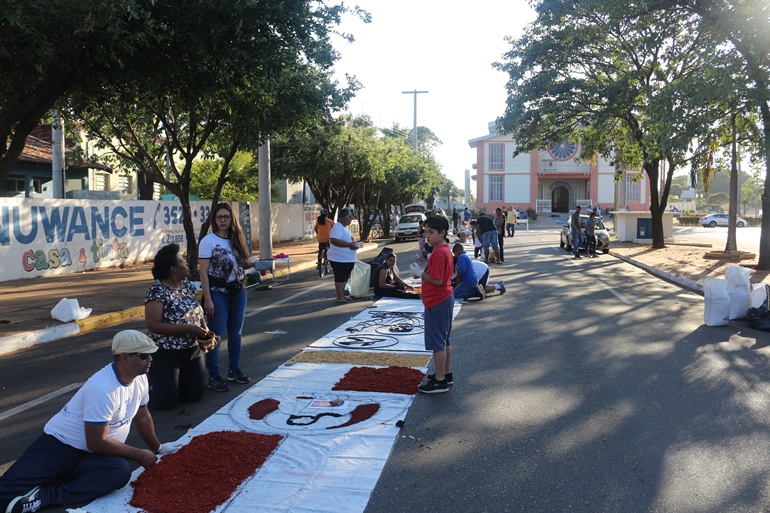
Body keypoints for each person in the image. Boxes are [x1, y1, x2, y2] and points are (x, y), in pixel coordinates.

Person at [0, 331, 165, 513]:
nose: (150, 359)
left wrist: (158, 448)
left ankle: (44, 497)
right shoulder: (102, 388)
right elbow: (96, 442)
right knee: (4, 495)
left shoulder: (140, 379)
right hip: (61, 446)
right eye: (144, 355)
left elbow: (142, 416)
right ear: (124, 357)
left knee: (119, 471)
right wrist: (139, 454)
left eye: (150, 354)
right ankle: (55, 479)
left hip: (95, 455)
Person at [144, 243, 214, 410]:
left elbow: (196, 310)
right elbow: (153, 325)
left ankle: (177, 382)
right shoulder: (157, 290)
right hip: (166, 352)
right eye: (182, 261)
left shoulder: (187, 286)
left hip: (192, 350)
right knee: (164, 403)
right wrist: (189, 329)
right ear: (173, 268)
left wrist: (205, 330)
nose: (187, 264)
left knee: (194, 396)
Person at [199, 202, 254, 393]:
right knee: (215, 335)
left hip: (238, 291)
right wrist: (208, 298)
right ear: (214, 220)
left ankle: (233, 369)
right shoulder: (208, 241)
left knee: (236, 333)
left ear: (232, 219)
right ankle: (213, 375)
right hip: (218, 293)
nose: (223, 220)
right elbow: (203, 273)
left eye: (226, 217)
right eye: (219, 217)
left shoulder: (236, 239)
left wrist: (259, 264)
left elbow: (243, 265)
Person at [417, 216, 455, 394]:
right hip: (443, 298)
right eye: (426, 232)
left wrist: (420, 274)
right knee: (444, 340)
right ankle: (445, 373)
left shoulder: (439, 252)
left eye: (431, 232)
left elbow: (438, 280)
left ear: (442, 233)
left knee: (437, 342)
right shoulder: (444, 249)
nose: (427, 236)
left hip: (438, 299)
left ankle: (440, 381)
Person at [328, 207, 360, 303]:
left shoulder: (344, 228)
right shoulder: (338, 227)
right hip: (339, 259)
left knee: (344, 278)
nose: (351, 219)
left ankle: (342, 295)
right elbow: (333, 240)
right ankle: (339, 297)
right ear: (344, 218)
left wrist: (354, 244)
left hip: (347, 259)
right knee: (340, 278)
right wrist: (349, 244)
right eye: (350, 217)